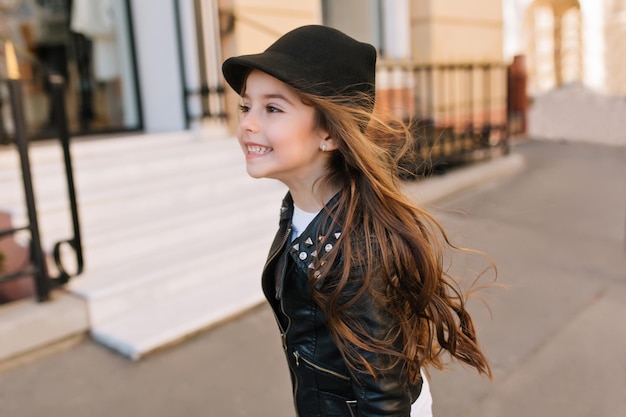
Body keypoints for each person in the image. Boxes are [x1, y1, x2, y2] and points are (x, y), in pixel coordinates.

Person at [222, 25, 493, 417]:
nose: (248, 122)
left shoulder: (355, 252)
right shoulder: (299, 209)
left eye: (273, 108)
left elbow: (383, 399)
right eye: (246, 106)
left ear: (329, 133)